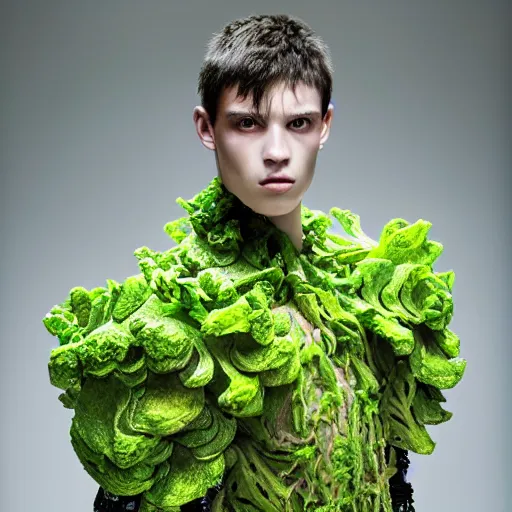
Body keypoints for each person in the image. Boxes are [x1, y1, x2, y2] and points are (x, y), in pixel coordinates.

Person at [46, 13, 462, 512]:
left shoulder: (370, 292)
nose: (277, 152)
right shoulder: (171, 318)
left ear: (324, 126)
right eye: (248, 122)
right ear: (207, 128)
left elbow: (392, 481)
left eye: (299, 123)